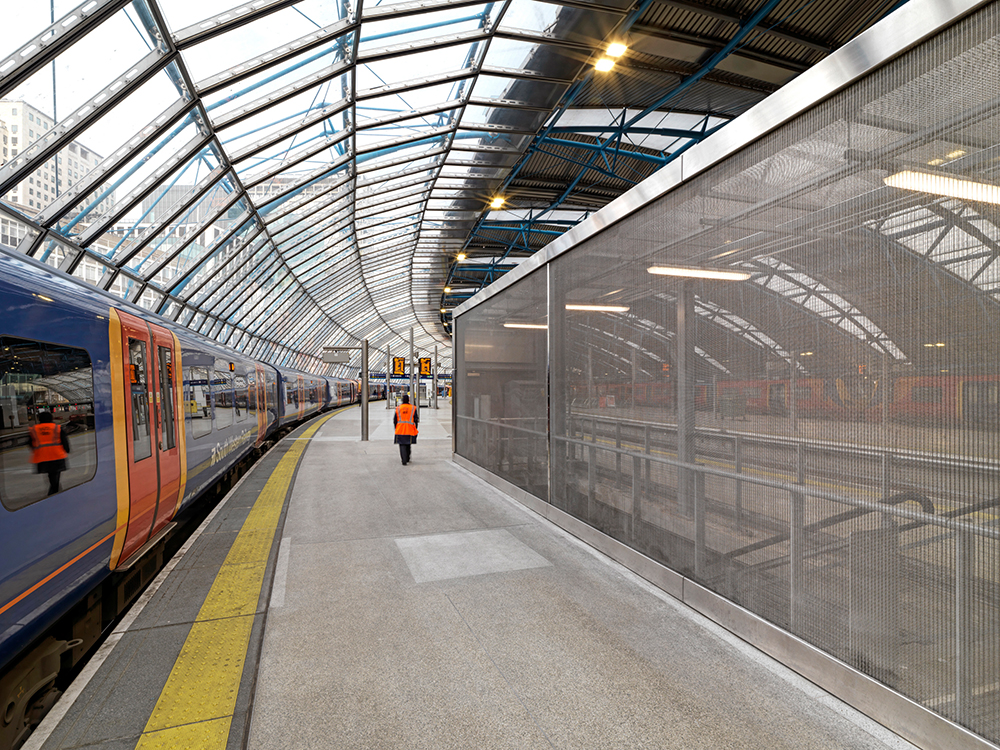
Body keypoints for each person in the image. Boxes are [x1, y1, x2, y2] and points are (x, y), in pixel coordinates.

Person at [29, 411, 70, 496]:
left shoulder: (34, 429)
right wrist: (67, 450)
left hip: (42, 458)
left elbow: (30, 443)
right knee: (55, 475)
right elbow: (64, 440)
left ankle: (55, 490)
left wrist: (37, 450)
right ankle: (54, 492)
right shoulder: (56, 428)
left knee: (51, 475)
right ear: (51, 418)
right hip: (57, 456)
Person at [393, 394, 419, 465]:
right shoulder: (413, 408)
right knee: (408, 444)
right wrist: (415, 427)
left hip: (400, 429)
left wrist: (396, 427)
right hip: (410, 429)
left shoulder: (398, 408)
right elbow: (416, 419)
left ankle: (403, 460)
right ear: (408, 400)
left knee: (402, 445)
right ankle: (407, 458)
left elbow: (395, 420)